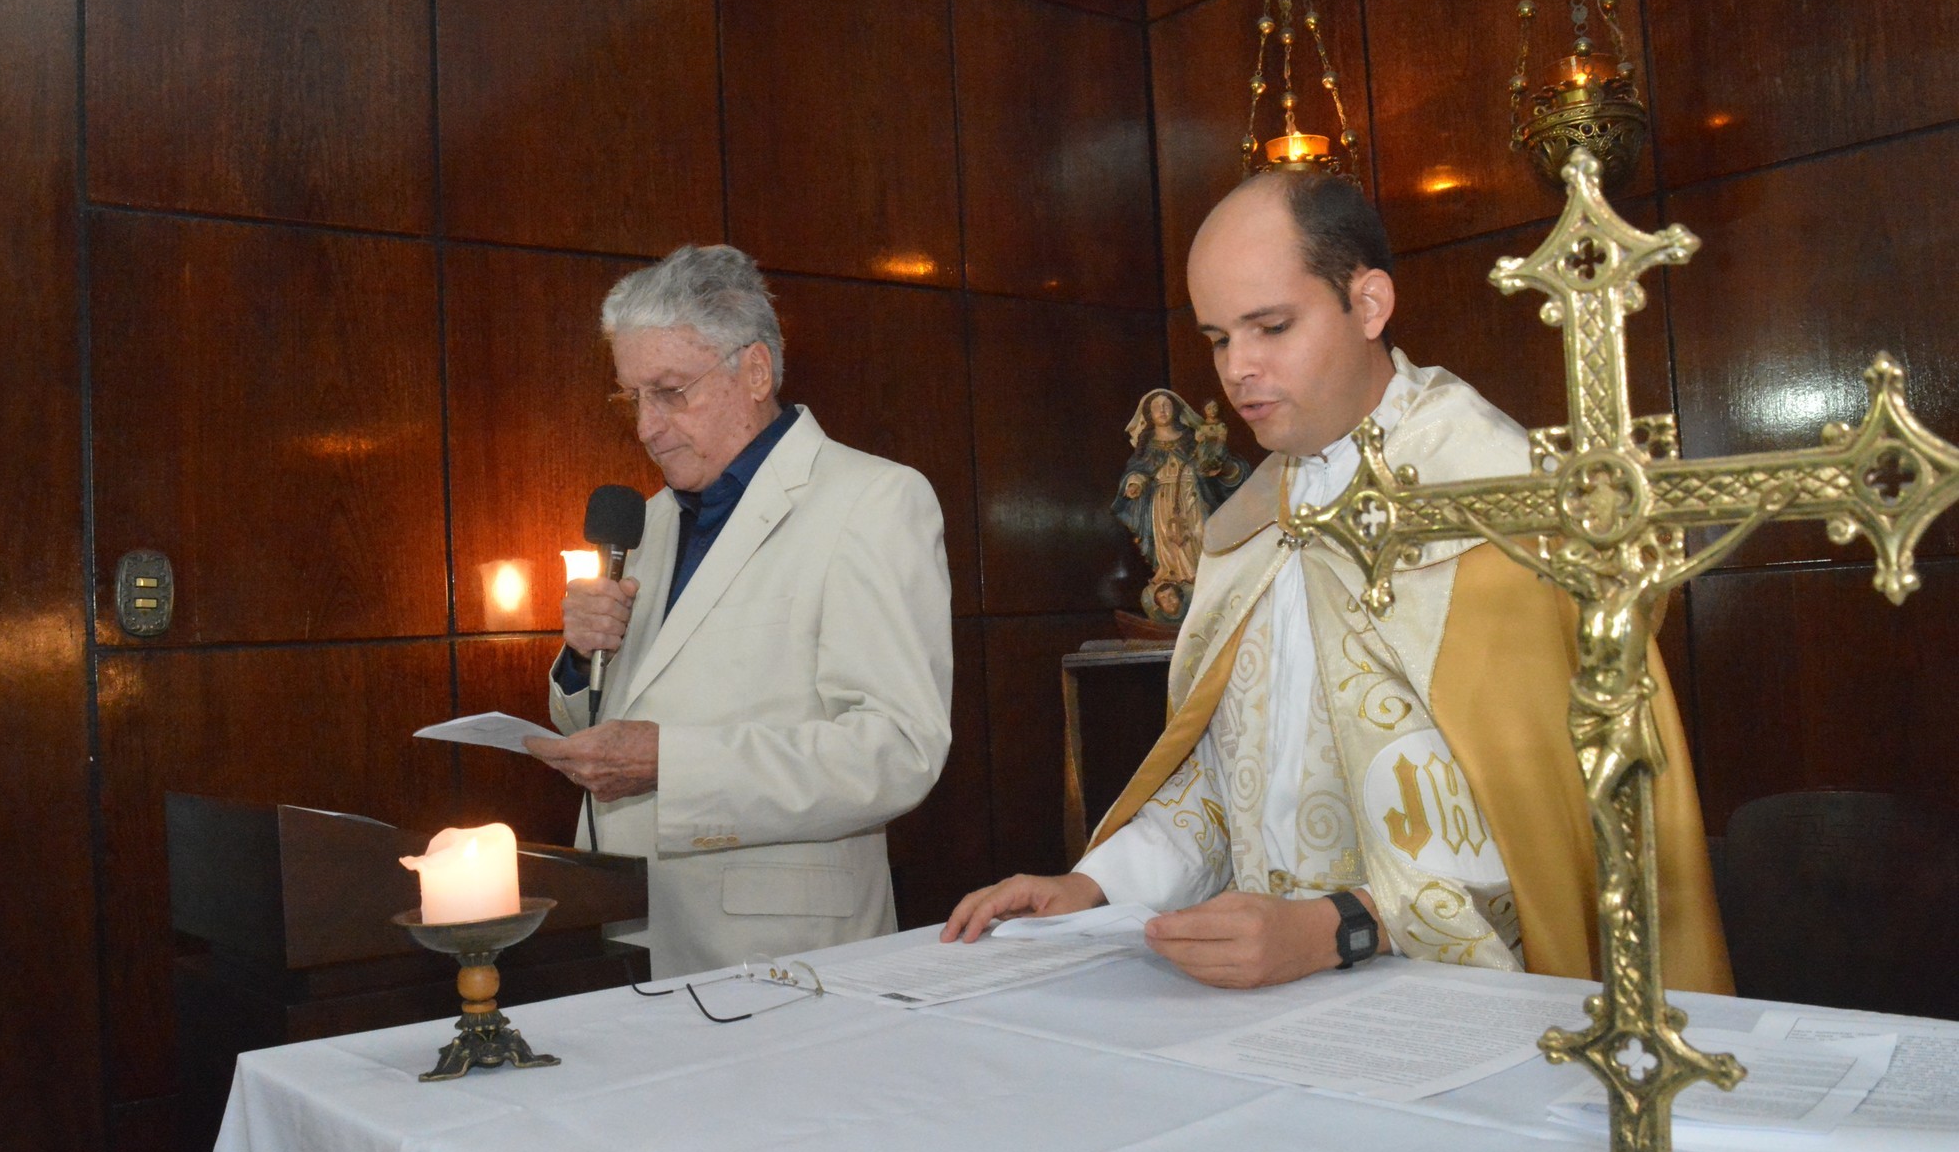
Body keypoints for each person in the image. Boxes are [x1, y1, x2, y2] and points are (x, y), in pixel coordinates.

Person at [942, 171, 1732, 995]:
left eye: (1272, 327)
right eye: (1218, 338)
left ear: (1369, 303)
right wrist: (1094, 885)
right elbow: (1230, 780)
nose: (1237, 370)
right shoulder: (1252, 524)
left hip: (1470, 1006)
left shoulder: (1497, 507)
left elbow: (1554, 818)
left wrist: (1341, 927)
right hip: (1273, 1002)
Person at [529, 245, 953, 977]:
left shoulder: (872, 501)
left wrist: (670, 762)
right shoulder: (650, 521)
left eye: (669, 391)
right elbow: (611, 729)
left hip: (779, 951)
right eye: (632, 398)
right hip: (625, 925)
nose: (646, 427)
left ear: (755, 372)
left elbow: (895, 752)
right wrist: (580, 660)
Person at [1111, 388, 1249, 620]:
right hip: (1162, 500)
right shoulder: (1148, 446)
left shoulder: (1192, 438)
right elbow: (1139, 470)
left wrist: (1217, 465)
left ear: (1176, 409)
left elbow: (1216, 463)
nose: (1162, 410)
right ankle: (1171, 577)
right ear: (1148, 414)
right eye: (1156, 407)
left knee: (1197, 534)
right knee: (1167, 541)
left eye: (1167, 405)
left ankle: (1199, 576)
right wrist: (1135, 483)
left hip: (1192, 496)